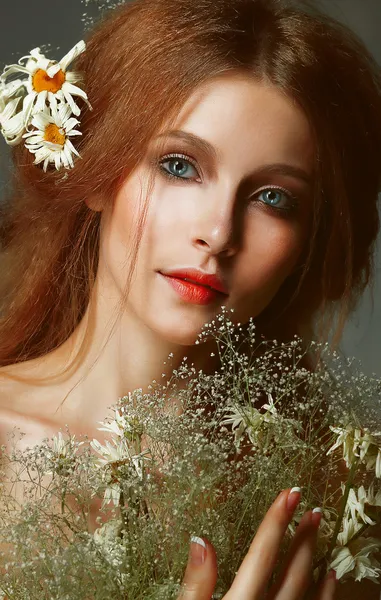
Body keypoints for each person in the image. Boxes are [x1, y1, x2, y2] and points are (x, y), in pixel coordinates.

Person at [0, 0, 381, 597]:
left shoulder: (333, 505)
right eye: (179, 165)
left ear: (308, 242)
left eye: (273, 199)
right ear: (99, 171)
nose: (220, 233)